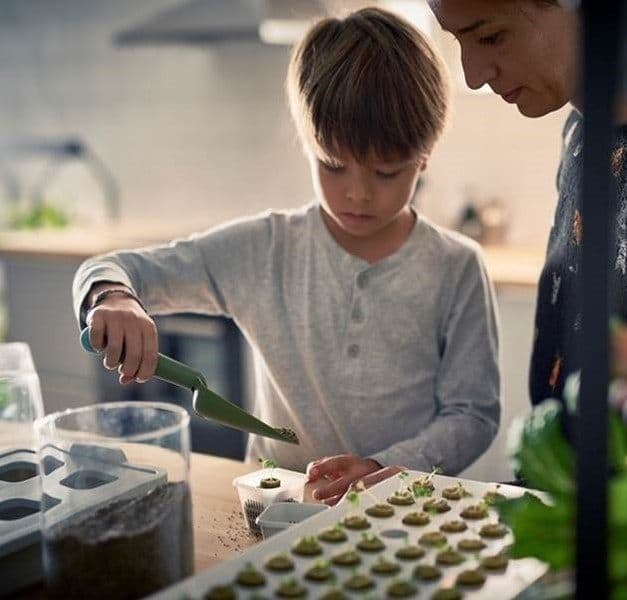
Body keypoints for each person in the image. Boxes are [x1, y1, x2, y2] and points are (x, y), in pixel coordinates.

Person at [72, 8, 500, 488]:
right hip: (279, 507)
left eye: (385, 172)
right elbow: (112, 267)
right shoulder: (264, 250)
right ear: (306, 144)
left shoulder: (456, 268)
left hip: (406, 511)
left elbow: (473, 416)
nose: (358, 192)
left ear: (423, 160)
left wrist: (383, 468)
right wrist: (113, 296)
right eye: (333, 165)